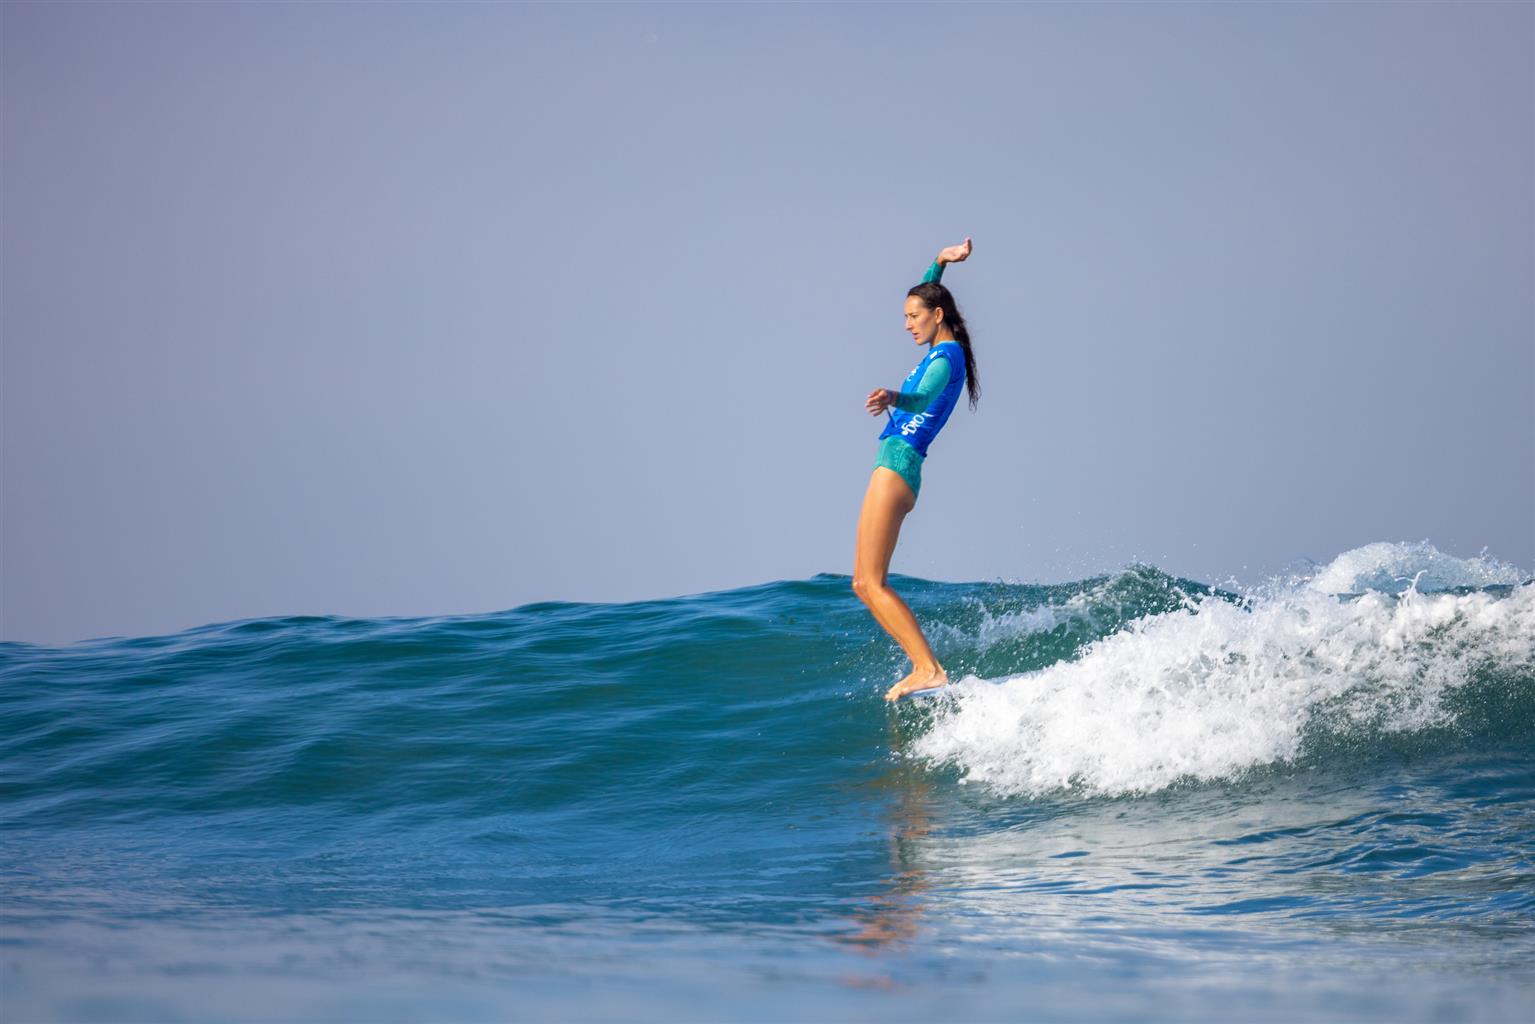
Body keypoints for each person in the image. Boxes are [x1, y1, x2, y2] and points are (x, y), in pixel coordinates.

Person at [855, 237, 981, 701]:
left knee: (869, 582)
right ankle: (924, 666)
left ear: (937, 317)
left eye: (914, 317)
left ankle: (927, 667)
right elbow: (930, 292)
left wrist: (893, 397)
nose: (908, 325)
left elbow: (924, 396)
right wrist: (941, 262)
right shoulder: (941, 347)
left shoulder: (946, 358)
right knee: (864, 583)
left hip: (897, 466)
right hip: (900, 468)